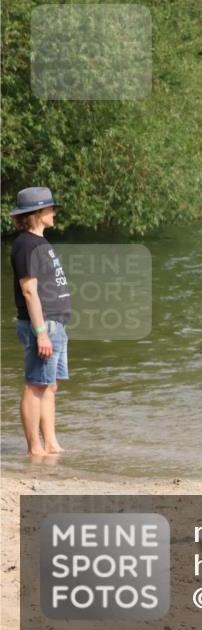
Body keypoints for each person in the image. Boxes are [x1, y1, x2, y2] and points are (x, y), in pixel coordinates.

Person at [9, 187, 71, 457]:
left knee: (50, 385)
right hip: (42, 326)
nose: (53, 212)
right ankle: (35, 448)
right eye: (50, 208)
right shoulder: (26, 245)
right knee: (36, 384)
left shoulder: (40, 243)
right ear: (37, 213)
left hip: (56, 324)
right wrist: (41, 332)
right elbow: (29, 290)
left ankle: (52, 444)